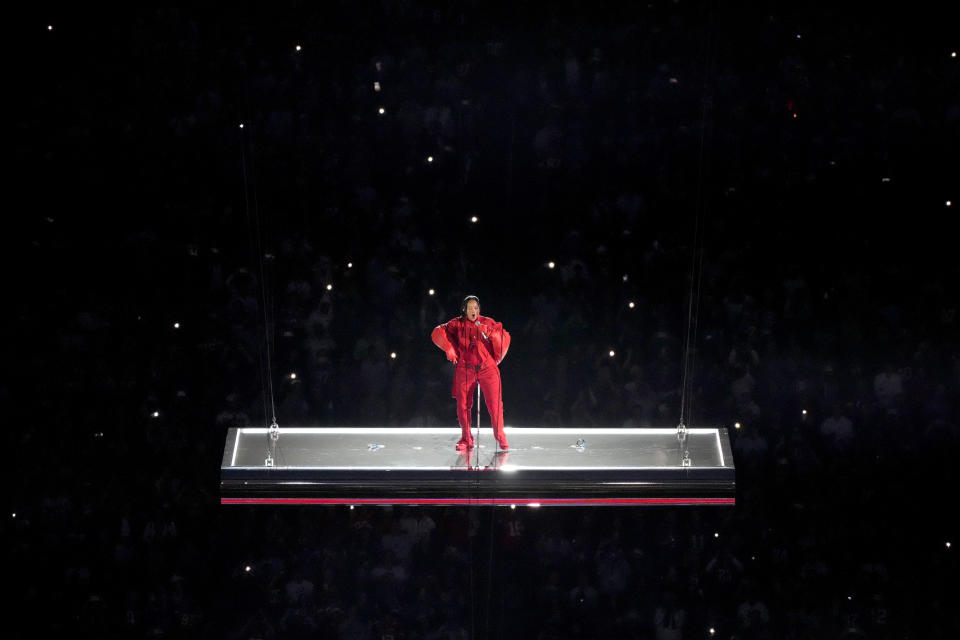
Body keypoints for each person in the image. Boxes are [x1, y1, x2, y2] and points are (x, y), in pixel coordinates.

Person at [431, 296, 511, 451]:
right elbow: (438, 331)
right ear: (464, 310)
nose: (473, 311)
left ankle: (500, 435)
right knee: (462, 406)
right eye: (470, 308)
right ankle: (466, 439)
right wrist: (449, 348)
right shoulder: (457, 323)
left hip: (487, 368)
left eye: (476, 308)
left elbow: (504, 336)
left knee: (495, 405)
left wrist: (495, 345)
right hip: (465, 368)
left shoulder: (488, 322)